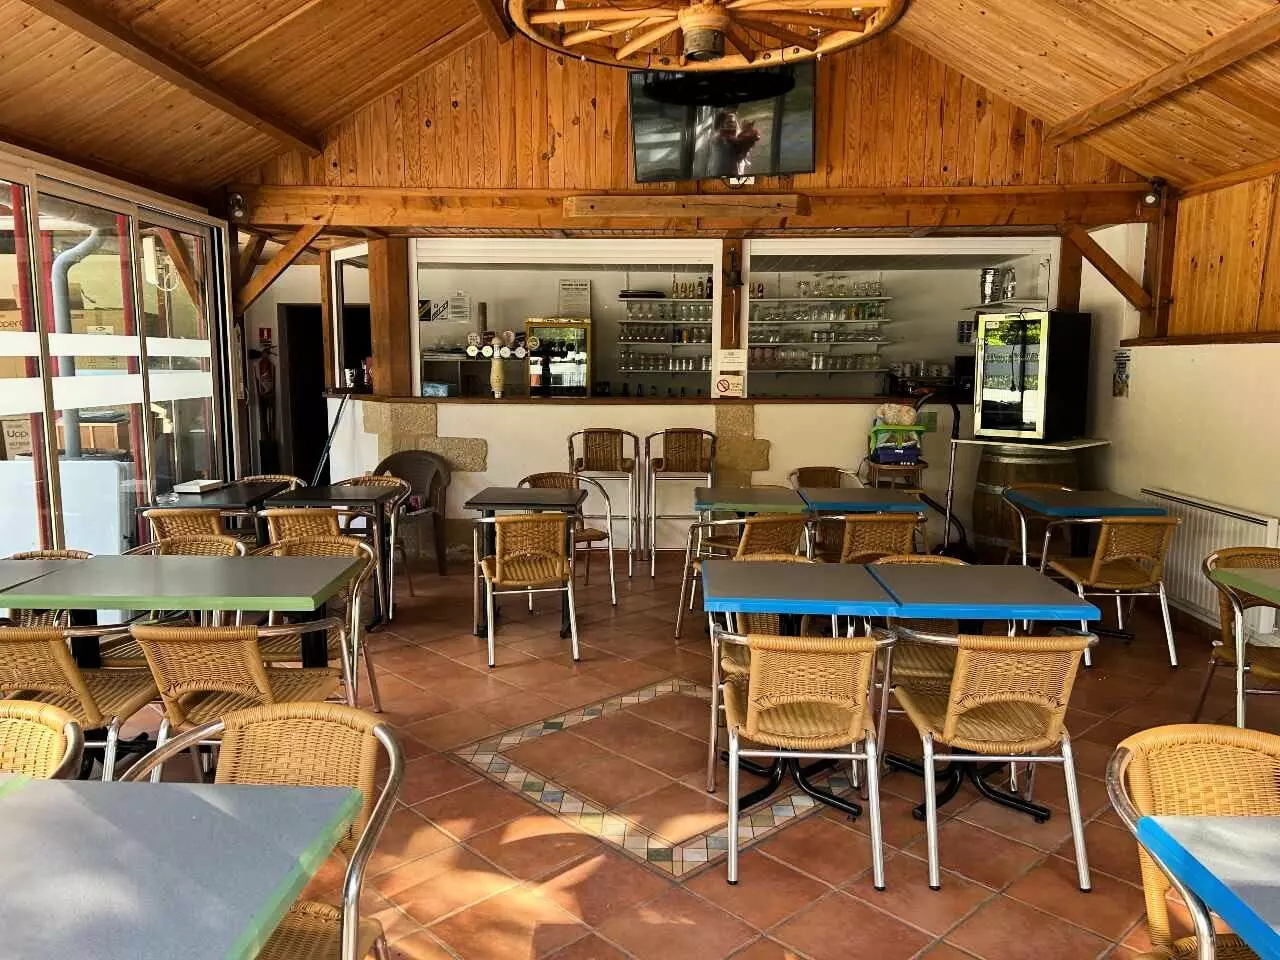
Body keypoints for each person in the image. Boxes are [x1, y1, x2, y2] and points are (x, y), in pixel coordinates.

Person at [707, 108, 761, 177]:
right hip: (721, 177)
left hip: (736, 176)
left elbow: (751, 138)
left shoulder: (735, 136)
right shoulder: (719, 138)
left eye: (734, 122)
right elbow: (752, 136)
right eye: (729, 122)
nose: (733, 125)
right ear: (721, 124)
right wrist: (746, 131)